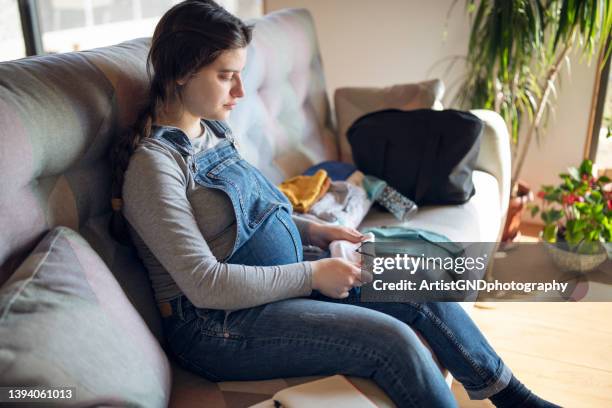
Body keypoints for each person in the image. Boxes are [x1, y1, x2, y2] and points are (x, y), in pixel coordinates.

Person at [110, 1, 559, 407]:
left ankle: (515, 399)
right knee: (391, 341)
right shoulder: (154, 168)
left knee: (413, 281)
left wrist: (315, 231)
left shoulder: (211, 131)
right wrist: (313, 273)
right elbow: (206, 284)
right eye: (227, 76)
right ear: (183, 71)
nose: (240, 92)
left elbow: (252, 217)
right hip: (219, 326)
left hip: (277, 285)